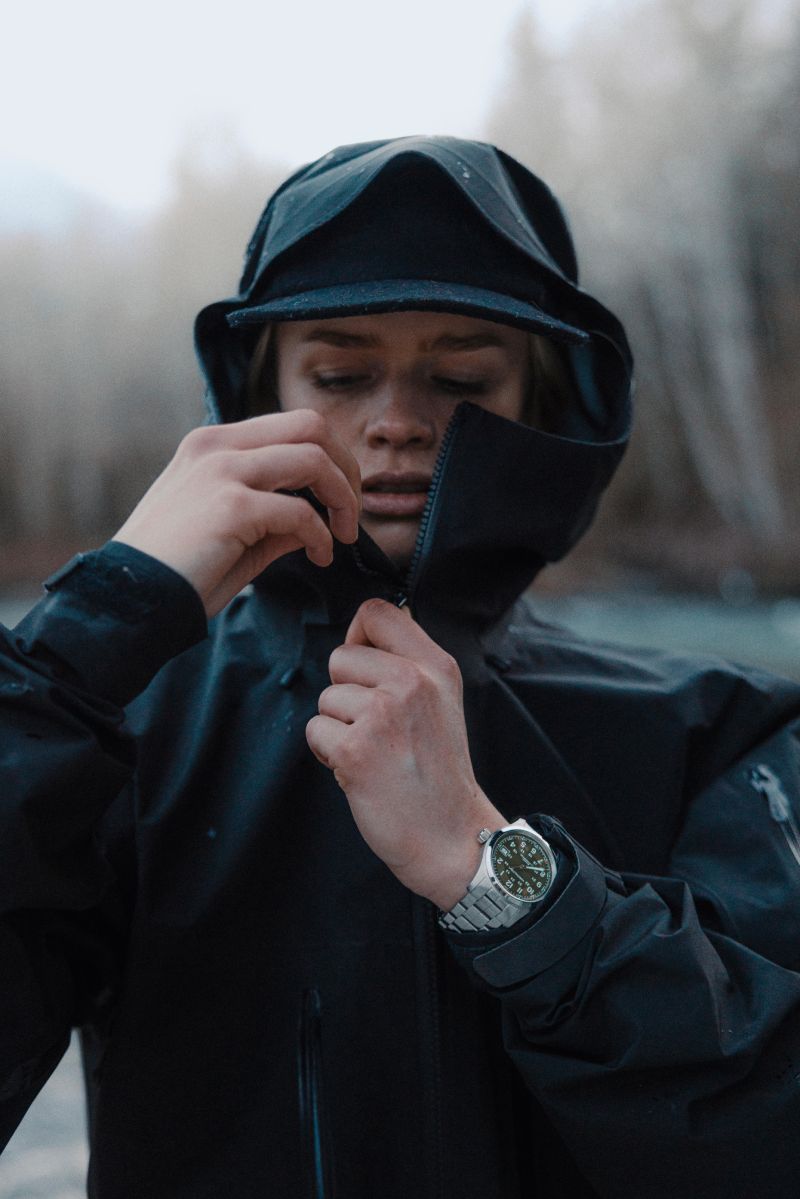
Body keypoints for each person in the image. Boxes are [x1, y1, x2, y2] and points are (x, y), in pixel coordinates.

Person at [2, 136, 800, 1199]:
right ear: (256, 394)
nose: (395, 422)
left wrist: (496, 876)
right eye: (339, 374)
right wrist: (80, 643)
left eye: (460, 376)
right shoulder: (120, 731)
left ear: (546, 402)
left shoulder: (724, 732)